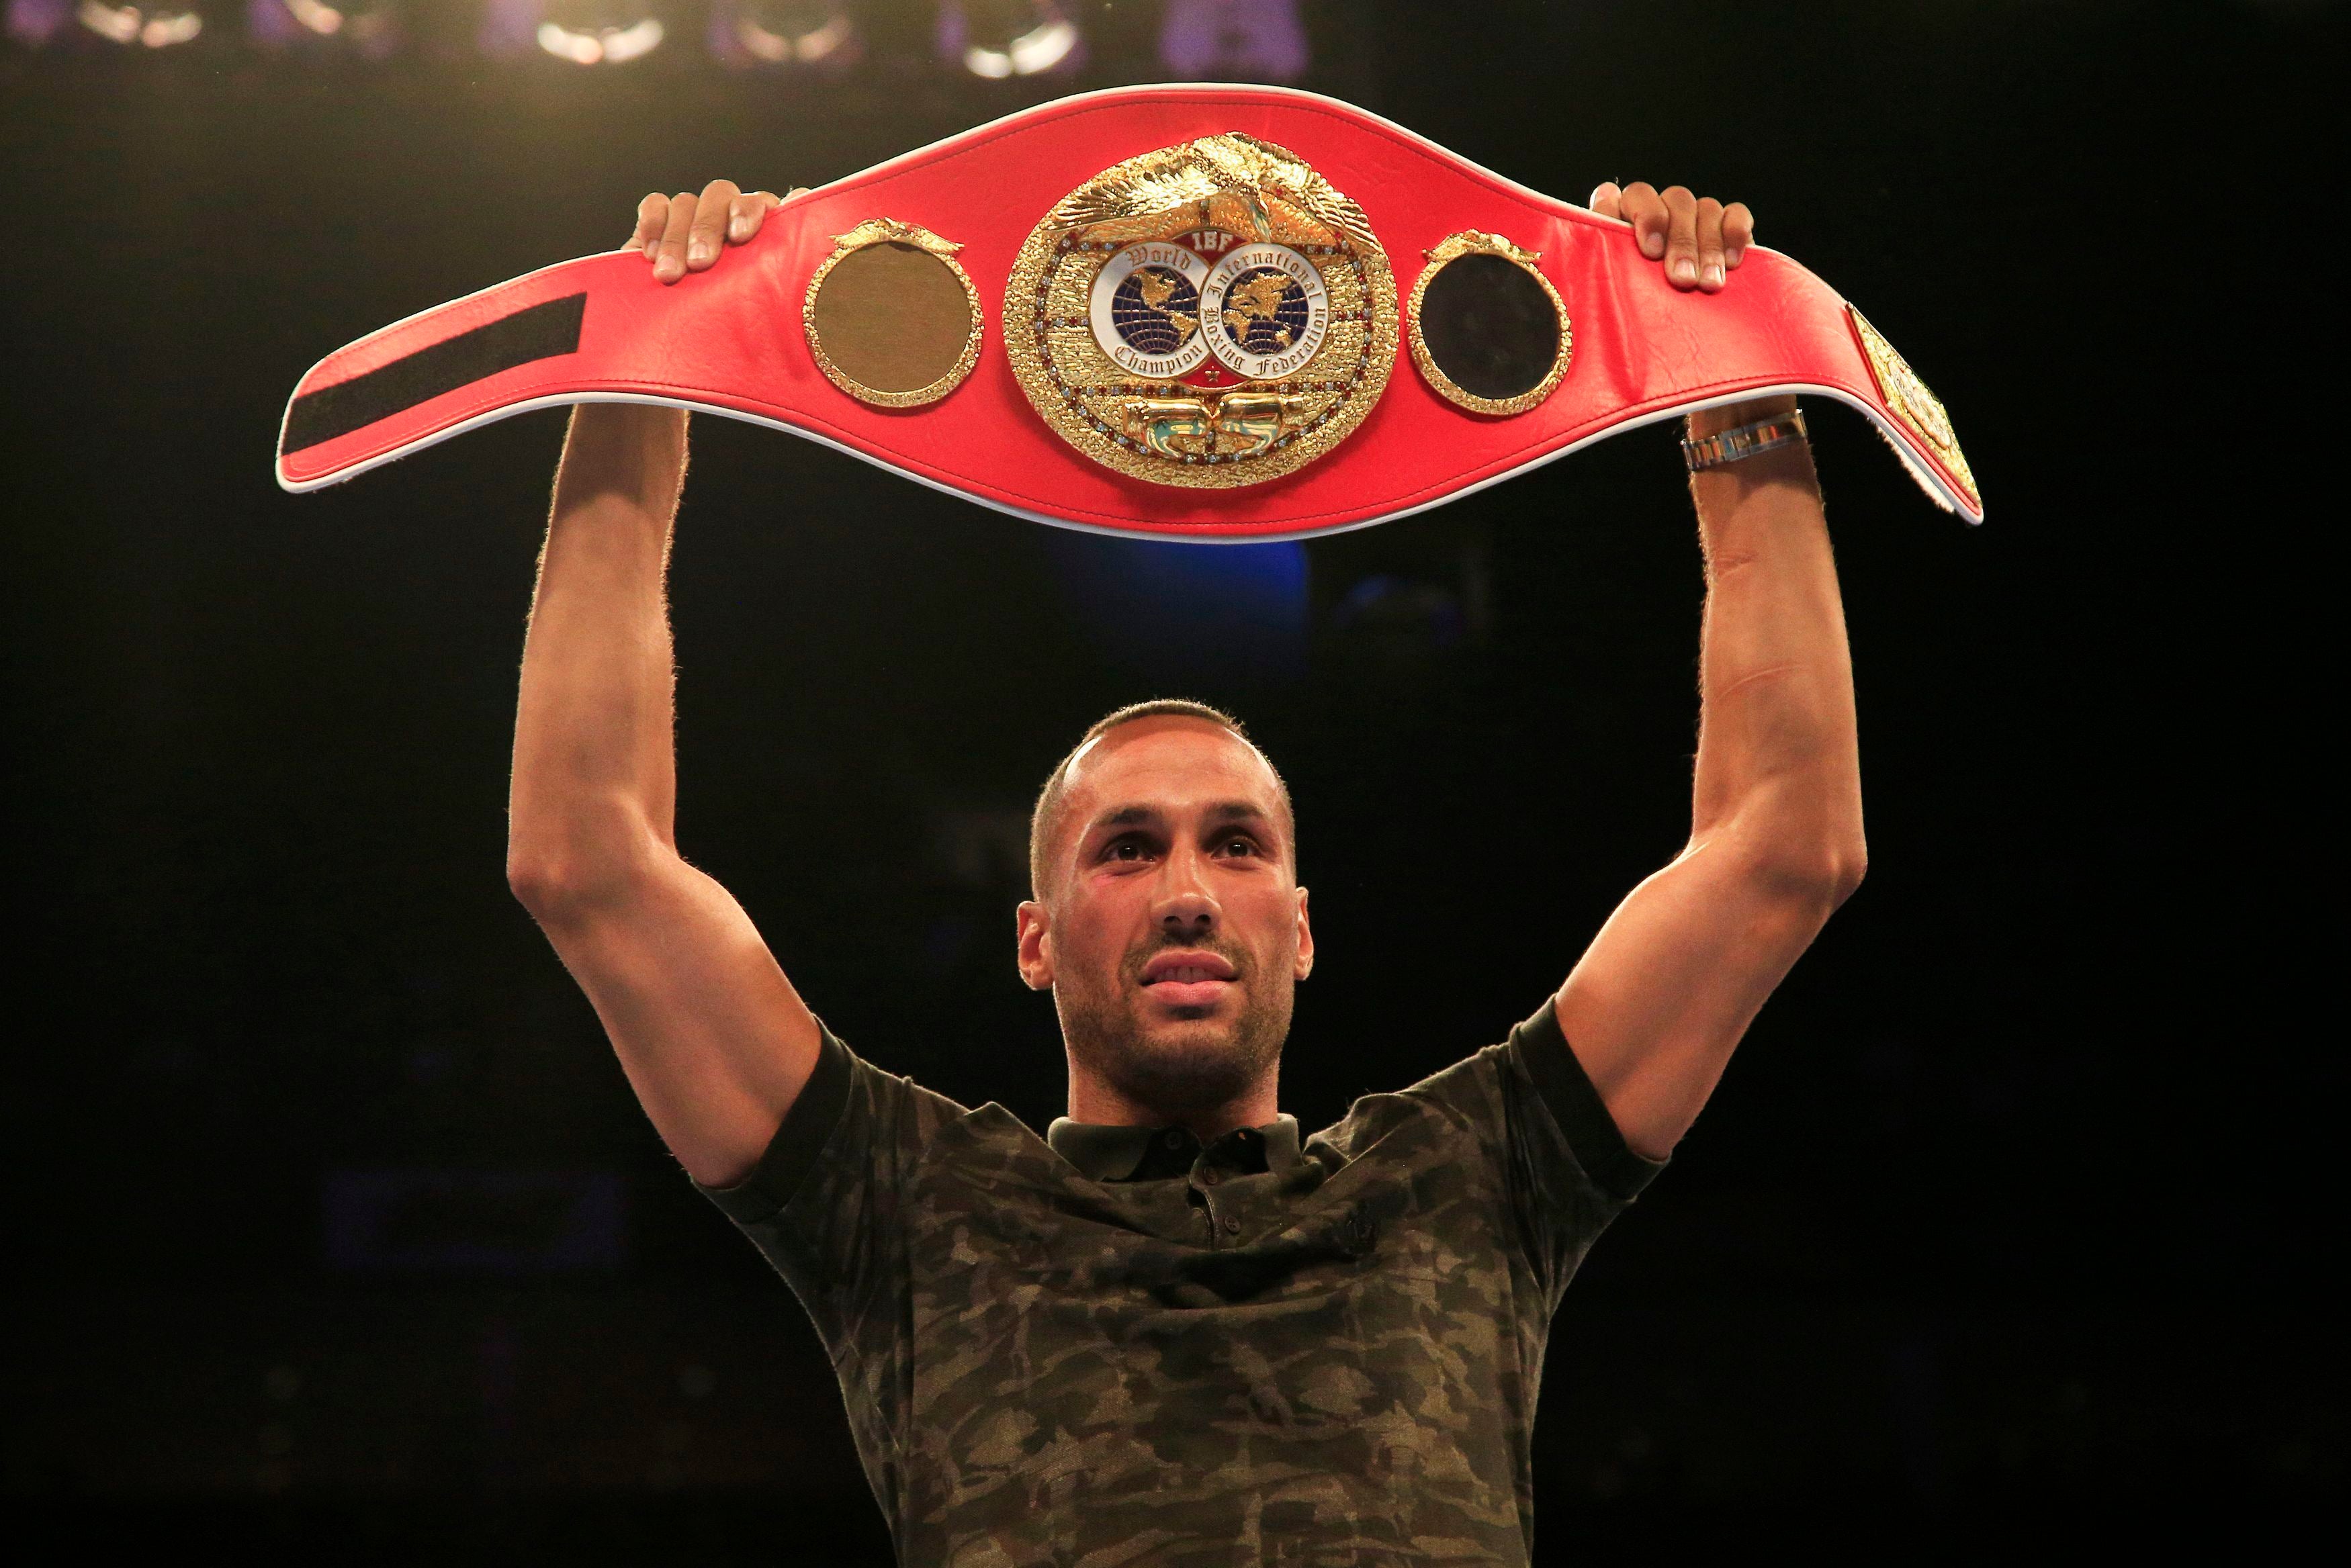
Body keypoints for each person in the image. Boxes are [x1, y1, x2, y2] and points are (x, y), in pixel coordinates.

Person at [504, 176, 1858, 1565]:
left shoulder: (1471, 1175)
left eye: (1235, 841)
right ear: (1032, 938)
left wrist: (1734, 385)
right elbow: (585, 858)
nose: (1190, 888)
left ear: (1304, 926)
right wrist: (640, 376)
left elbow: (1785, 849)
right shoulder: (908, 1210)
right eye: (1127, 848)